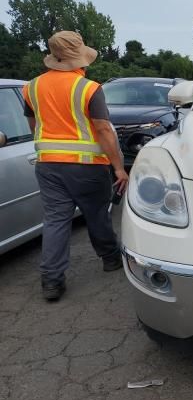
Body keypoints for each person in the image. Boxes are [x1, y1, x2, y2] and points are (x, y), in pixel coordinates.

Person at [22, 31, 129, 301]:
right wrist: (118, 167)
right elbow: (103, 129)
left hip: (47, 166)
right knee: (96, 214)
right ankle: (110, 258)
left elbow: (34, 126)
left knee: (56, 220)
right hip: (87, 168)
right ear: (80, 60)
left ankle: (51, 281)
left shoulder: (31, 87)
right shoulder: (89, 88)